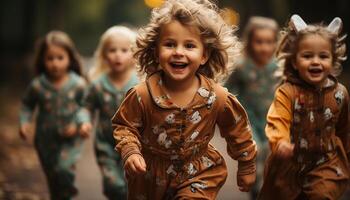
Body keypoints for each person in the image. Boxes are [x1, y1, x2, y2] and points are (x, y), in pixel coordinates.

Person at [112, 0, 257, 199]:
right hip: (150, 178)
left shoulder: (217, 97)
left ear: (204, 55)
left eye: (189, 45)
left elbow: (238, 130)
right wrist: (131, 151)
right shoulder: (142, 95)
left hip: (198, 173)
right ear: (156, 51)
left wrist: (246, 165)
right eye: (170, 44)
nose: (178, 52)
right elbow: (124, 125)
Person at [258, 15, 349, 200]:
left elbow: (345, 128)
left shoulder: (340, 93)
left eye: (323, 56)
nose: (315, 61)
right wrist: (280, 141)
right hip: (290, 164)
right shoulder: (287, 92)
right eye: (307, 56)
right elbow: (278, 119)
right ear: (294, 61)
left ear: (333, 60)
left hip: (327, 162)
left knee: (321, 195)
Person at [19, 30, 90, 199]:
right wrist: (24, 122)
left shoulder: (78, 84)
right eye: (50, 58)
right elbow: (27, 105)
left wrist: (81, 123)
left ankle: (67, 193)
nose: (55, 64)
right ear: (42, 60)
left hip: (71, 140)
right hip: (45, 140)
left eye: (60, 58)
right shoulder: (38, 86)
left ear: (69, 59)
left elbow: (85, 106)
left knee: (63, 170)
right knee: (53, 177)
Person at [225, 16, 279, 199]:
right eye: (259, 42)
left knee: (273, 159)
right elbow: (228, 91)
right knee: (256, 154)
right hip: (248, 121)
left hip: (272, 119)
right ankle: (256, 190)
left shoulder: (279, 67)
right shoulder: (241, 67)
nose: (264, 47)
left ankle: (268, 189)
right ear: (250, 41)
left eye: (269, 42)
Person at [84, 25, 139, 199]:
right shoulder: (97, 85)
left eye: (124, 50)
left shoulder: (141, 84)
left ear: (134, 54)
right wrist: (85, 121)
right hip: (105, 143)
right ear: (104, 55)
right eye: (112, 50)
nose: (118, 55)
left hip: (136, 143)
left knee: (133, 183)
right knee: (113, 184)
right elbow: (86, 106)